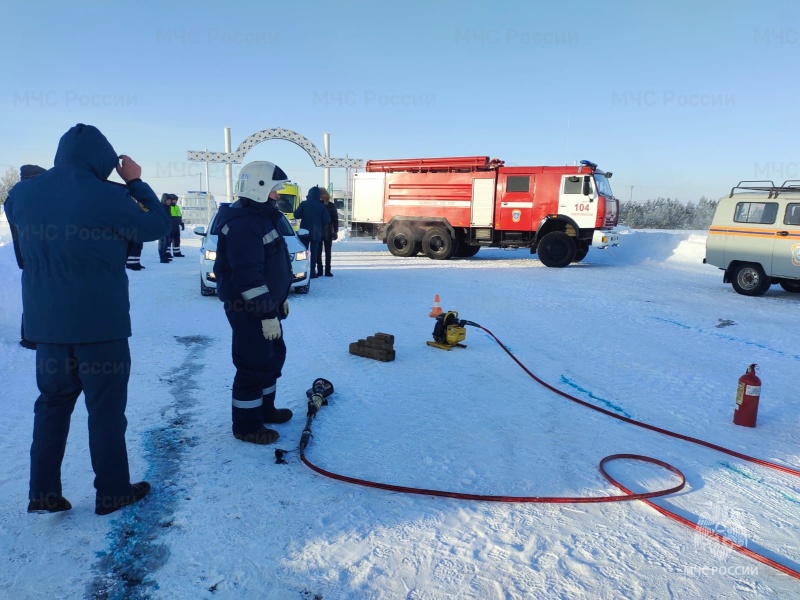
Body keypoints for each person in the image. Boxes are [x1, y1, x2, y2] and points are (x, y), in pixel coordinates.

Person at [5, 123, 171, 515]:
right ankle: (112, 491)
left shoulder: (21, 195)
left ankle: (43, 492)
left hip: (47, 328)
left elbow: (23, 248)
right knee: (106, 410)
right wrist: (135, 182)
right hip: (101, 328)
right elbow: (157, 225)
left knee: (51, 405)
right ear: (103, 160)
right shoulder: (108, 195)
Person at [213, 161, 294, 445]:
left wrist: (278, 301)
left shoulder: (260, 218)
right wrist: (265, 313)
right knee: (253, 363)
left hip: (265, 308)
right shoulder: (245, 224)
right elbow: (248, 276)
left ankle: (264, 409)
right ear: (258, 188)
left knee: (271, 357)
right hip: (249, 310)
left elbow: (270, 266)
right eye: (275, 190)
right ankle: (247, 425)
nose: (278, 195)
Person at [10, 164, 47, 349]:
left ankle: (31, 336)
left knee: (33, 297)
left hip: (28, 256)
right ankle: (32, 338)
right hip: (37, 256)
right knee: (40, 297)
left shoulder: (16, 197)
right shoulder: (29, 199)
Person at [293, 186, 330, 278]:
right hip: (316, 232)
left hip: (304, 231)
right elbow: (327, 220)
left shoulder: (304, 204)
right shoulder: (322, 206)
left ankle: (303, 271)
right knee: (314, 253)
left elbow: (296, 215)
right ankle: (312, 272)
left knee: (303, 253)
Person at [318, 188, 339, 277]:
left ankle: (327, 271)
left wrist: (335, 231)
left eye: (321, 194)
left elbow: (335, 219)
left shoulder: (331, 205)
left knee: (328, 252)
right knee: (318, 252)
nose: (320, 196)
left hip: (328, 231)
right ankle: (319, 270)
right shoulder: (317, 205)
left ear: (324, 194)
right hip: (318, 231)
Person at [158, 193, 173, 263]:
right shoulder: (161, 207)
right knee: (162, 242)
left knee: (167, 242)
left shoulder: (168, 207)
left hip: (167, 227)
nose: (169, 202)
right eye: (167, 200)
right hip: (162, 227)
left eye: (170, 200)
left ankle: (165, 256)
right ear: (164, 200)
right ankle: (162, 257)